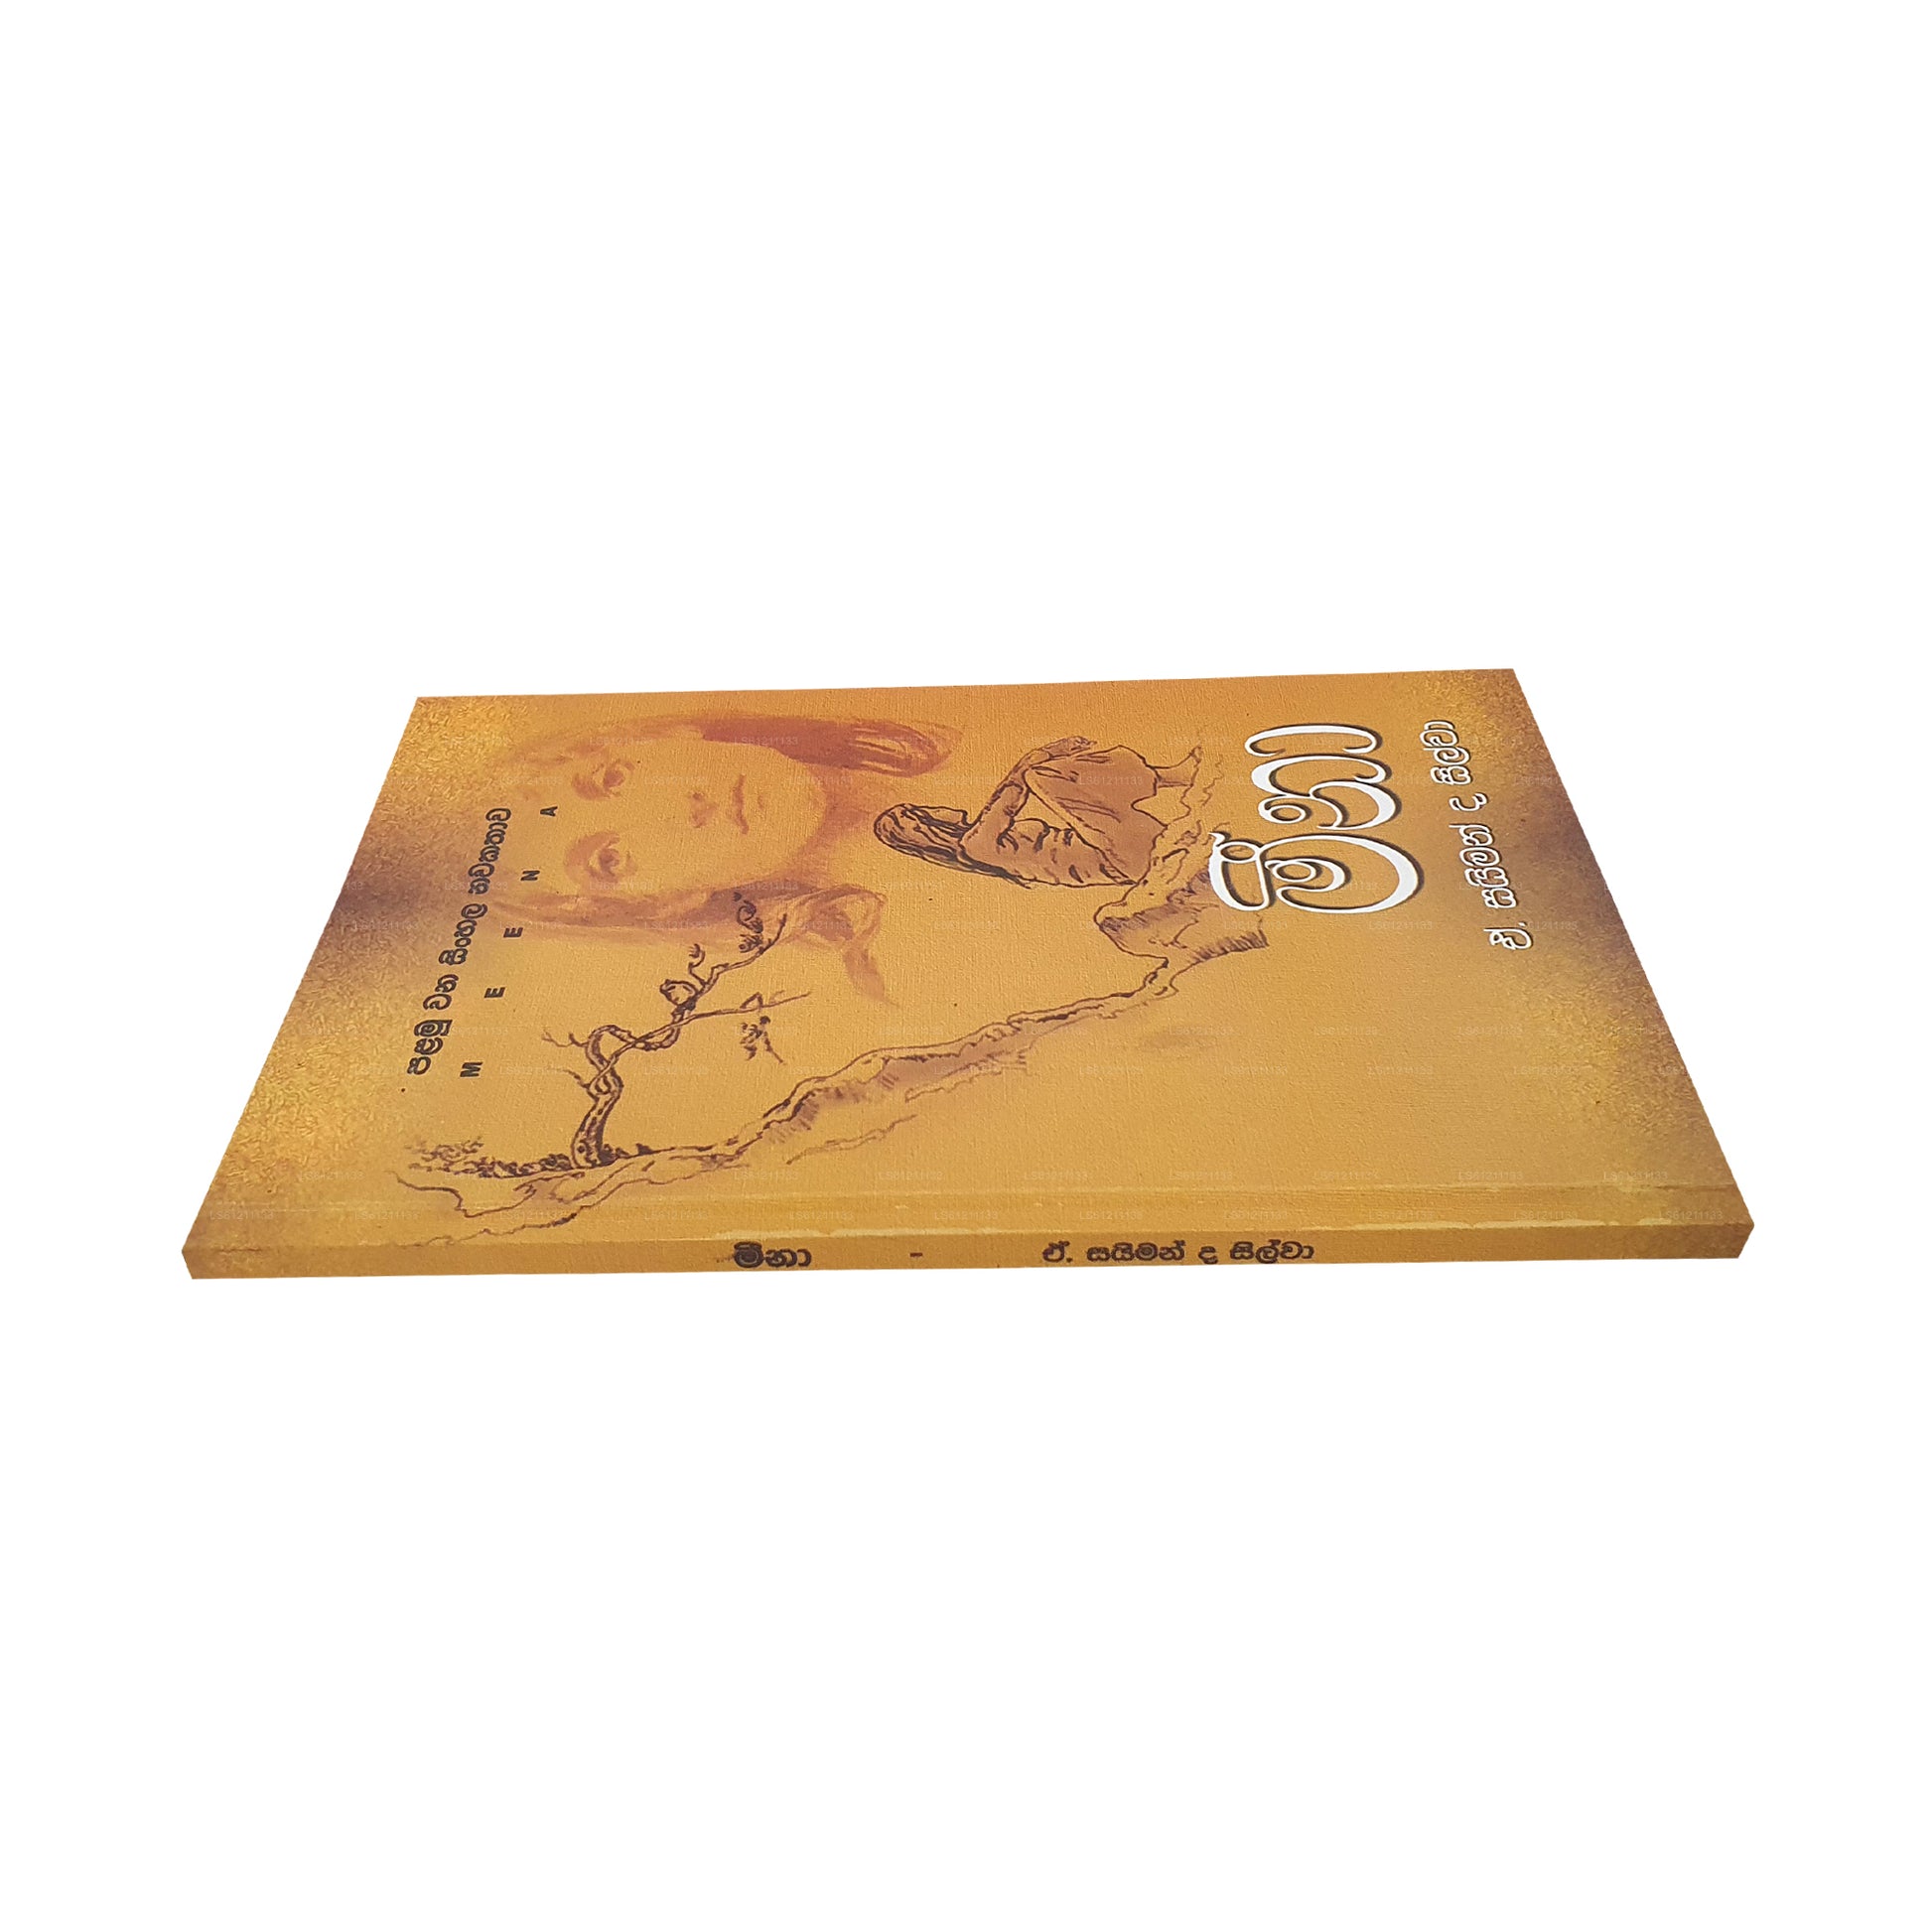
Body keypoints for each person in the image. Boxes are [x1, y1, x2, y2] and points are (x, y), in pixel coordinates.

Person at [494, 712, 954, 997]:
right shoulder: (897, 973)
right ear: (667, 904)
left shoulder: (944, 735)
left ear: (672, 733)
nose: (688, 808)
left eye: (614, 777)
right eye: (611, 859)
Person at [874, 736, 1198, 889]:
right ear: (925, 828)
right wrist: (1041, 754)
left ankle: (1173, 776)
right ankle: (1174, 777)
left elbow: (1004, 798)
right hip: (1124, 855)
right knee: (1043, 776)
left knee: (1048, 776)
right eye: (920, 813)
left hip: (1124, 851)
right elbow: (1010, 795)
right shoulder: (975, 846)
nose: (932, 809)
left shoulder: (976, 844)